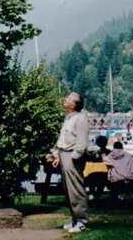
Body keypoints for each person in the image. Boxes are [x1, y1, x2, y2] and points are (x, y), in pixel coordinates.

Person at [52, 92, 89, 234]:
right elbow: (64, 139)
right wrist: (58, 155)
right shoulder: (69, 118)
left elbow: (82, 142)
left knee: (75, 189)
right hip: (64, 155)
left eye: (68, 99)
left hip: (72, 157)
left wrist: (74, 156)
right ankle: (75, 219)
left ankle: (81, 221)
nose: (65, 99)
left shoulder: (80, 119)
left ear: (73, 105)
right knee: (68, 190)